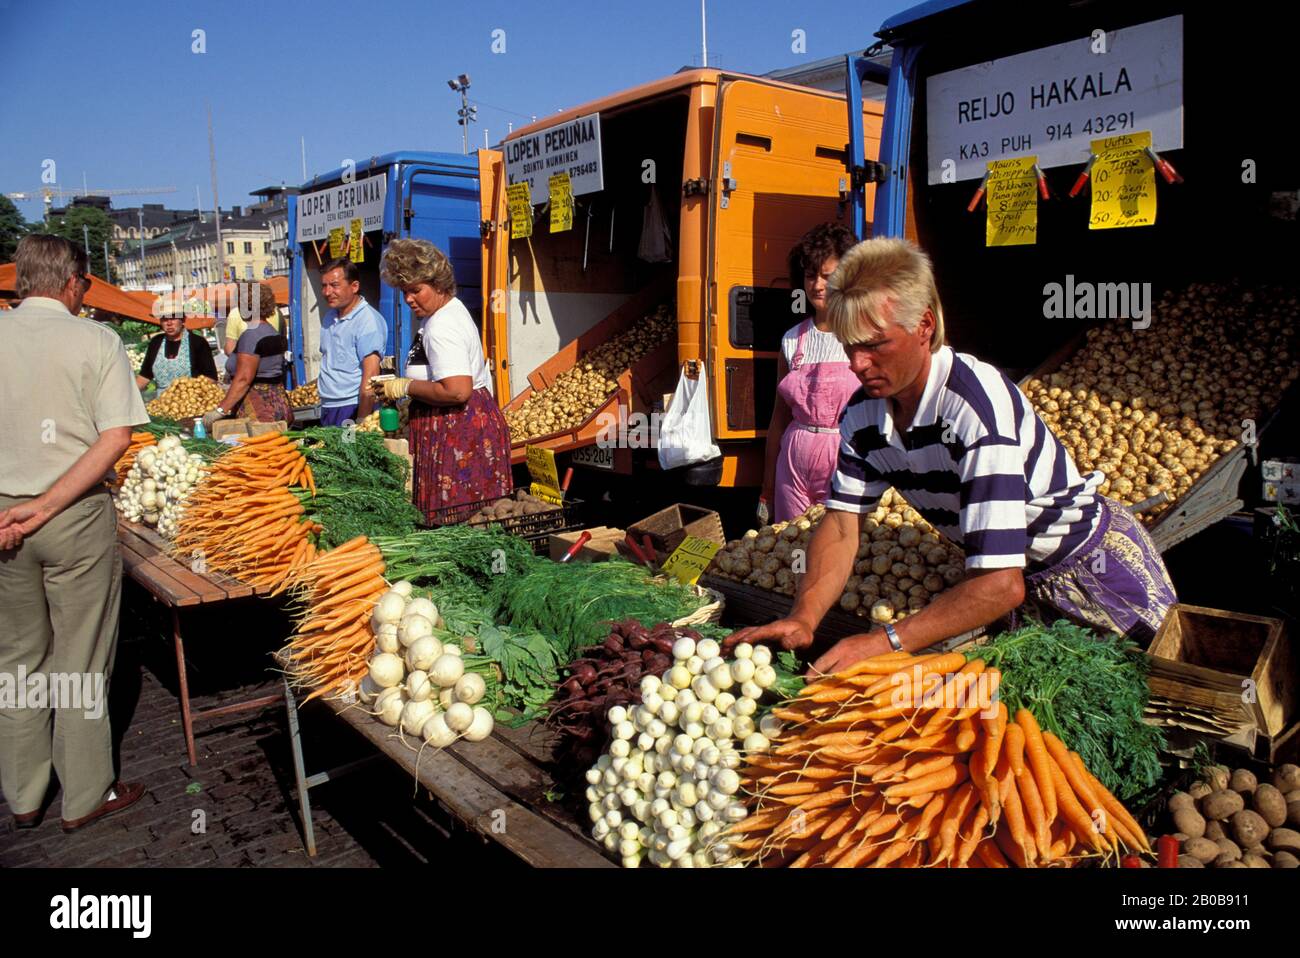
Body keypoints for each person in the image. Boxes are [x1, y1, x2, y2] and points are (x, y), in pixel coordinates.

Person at [728, 238, 1176, 675]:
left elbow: (1000, 584)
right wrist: (804, 616)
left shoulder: (974, 408)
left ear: (924, 325)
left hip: (1087, 575)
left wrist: (884, 642)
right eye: (849, 346)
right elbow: (843, 526)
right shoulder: (862, 414)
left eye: (875, 344)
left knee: (1144, 707)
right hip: (1012, 580)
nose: (858, 364)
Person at [0, 235, 148, 831]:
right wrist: (47, 504)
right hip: (72, 514)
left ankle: (24, 793)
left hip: (5, 520)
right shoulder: (96, 340)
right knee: (81, 659)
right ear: (70, 283)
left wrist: (16, 509)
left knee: (15, 660)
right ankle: (85, 794)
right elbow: (115, 438)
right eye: (85, 285)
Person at [373, 238, 512, 524]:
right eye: (404, 291)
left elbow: (457, 390)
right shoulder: (445, 313)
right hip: (460, 427)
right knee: (473, 523)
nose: (409, 299)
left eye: (415, 290)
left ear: (438, 284)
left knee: (457, 522)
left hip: (457, 434)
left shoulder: (442, 326)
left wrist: (405, 386)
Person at [760, 223, 860, 525]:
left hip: (845, 460)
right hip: (794, 463)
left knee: (839, 546)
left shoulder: (862, 336)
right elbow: (779, 418)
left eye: (828, 276)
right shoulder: (792, 340)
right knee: (792, 547)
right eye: (810, 275)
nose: (818, 285)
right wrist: (766, 488)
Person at [203, 281, 292, 426]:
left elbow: (244, 379)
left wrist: (220, 410)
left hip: (258, 410)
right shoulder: (272, 331)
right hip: (278, 402)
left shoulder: (250, 335)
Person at [317, 258, 386, 426]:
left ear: (354, 286)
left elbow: (371, 376)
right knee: (328, 452)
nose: (327, 292)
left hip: (351, 408)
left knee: (349, 450)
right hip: (328, 407)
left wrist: (361, 422)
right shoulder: (329, 317)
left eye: (334, 285)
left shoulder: (367, 321)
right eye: (324, 286)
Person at [136, 313, 218, 392]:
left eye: (173, 318)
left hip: (190, 399)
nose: (169, 323)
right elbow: (144, 376)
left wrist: (188, 390)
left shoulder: (197, 342)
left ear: (182, 320)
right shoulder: (156, 342)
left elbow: (211, 377)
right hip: (162, 401)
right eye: (164, 319)